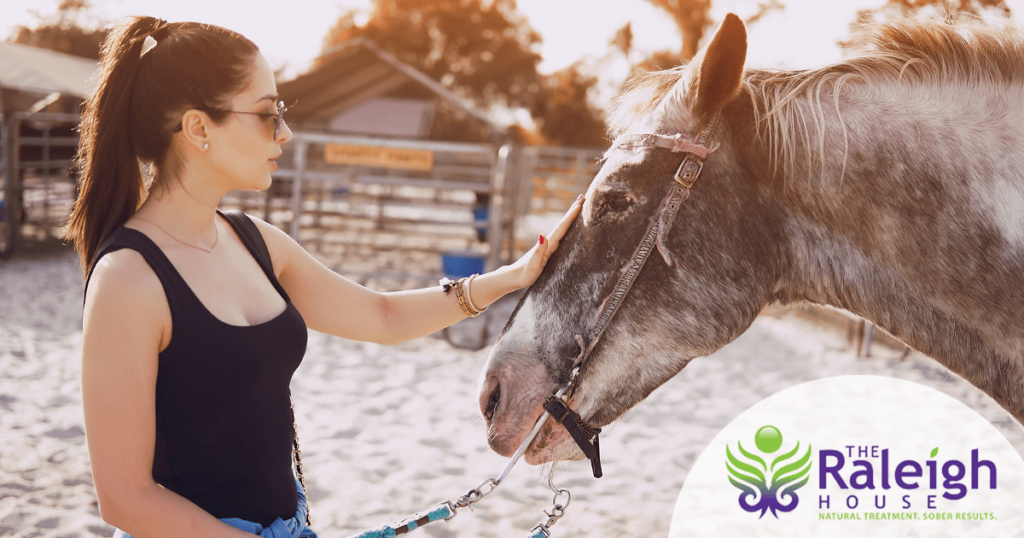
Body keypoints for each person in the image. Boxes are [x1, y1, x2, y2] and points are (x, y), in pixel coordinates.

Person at [67, 16, 582, 538]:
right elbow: (125, 500)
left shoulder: (254, 241)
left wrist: (511, 277)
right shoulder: (127, 280)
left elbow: (380, 316)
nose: (285, 132)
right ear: (199, 127)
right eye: (268, 114)